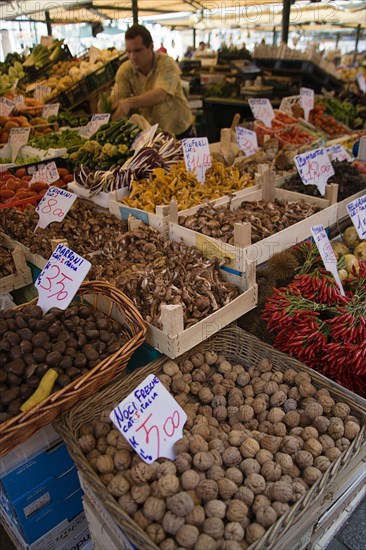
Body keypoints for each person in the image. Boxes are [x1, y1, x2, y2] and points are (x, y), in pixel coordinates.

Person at [110, 24, 193, 139]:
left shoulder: (166, 63)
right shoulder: (125, 70)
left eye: (138, 50)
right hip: (153, 133)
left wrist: (129, 102)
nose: (132, 56)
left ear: (151, 46)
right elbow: (118, 98)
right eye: (128, 51)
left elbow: (160, 95)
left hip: (179, 129)